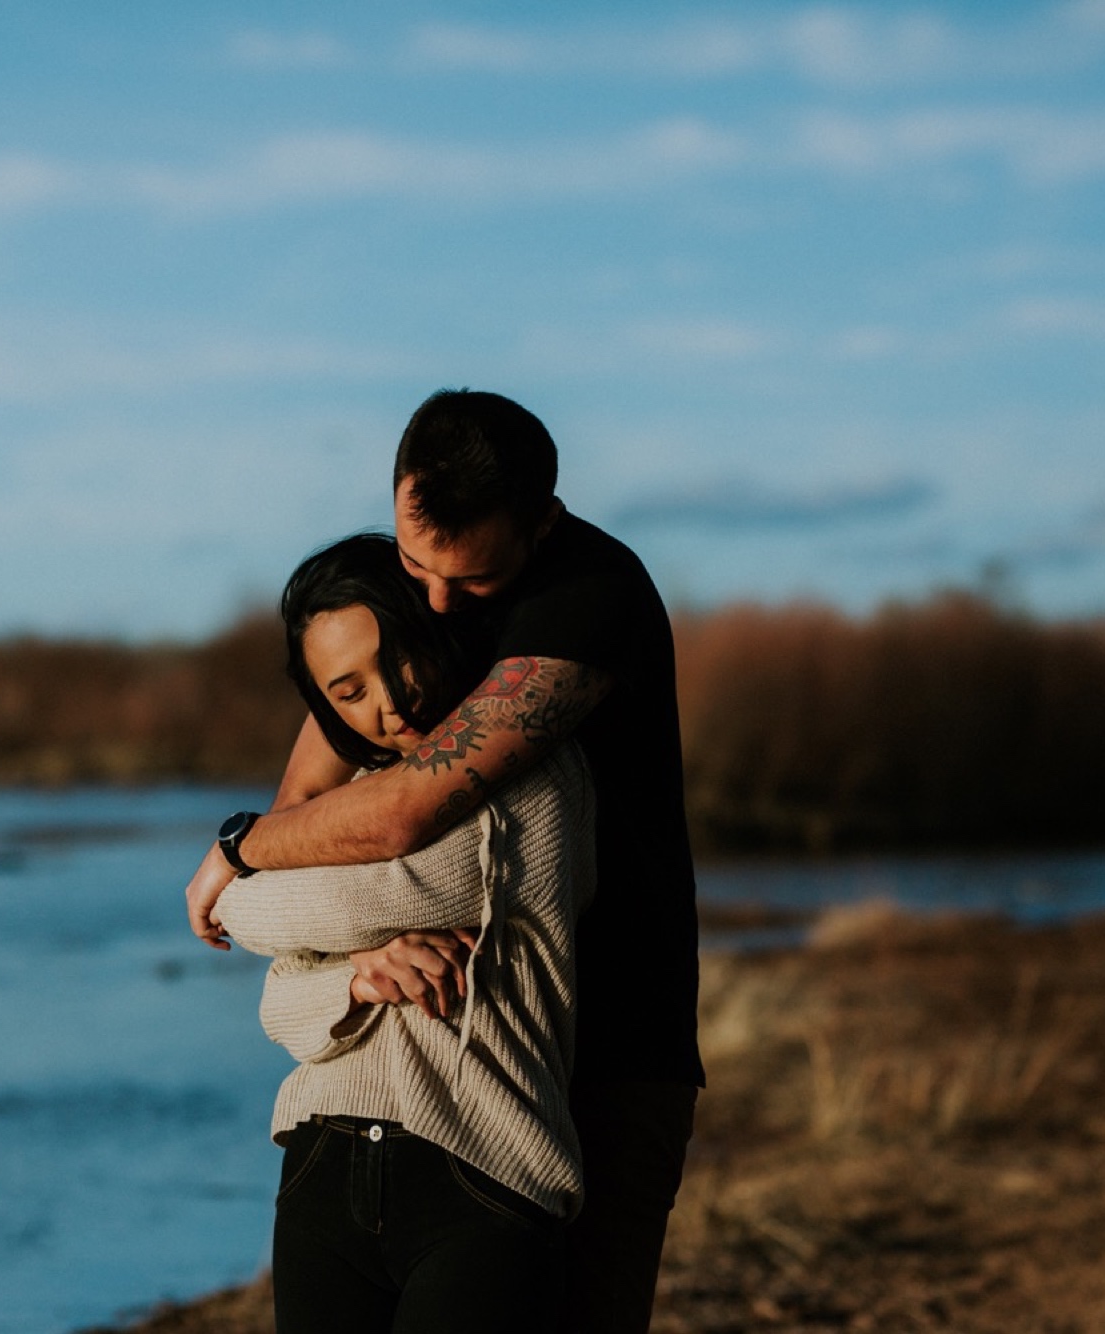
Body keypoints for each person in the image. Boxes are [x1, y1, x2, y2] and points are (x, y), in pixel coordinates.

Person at [187, 390, 703, 1334]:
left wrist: (236, 853)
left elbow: (397, 820)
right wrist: (343, 960)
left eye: (468, 584)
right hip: (414, 1082)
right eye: (412, 563)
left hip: (609, 1045)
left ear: (539, 525)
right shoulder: (410, 611)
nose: (432, 602)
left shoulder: (589, 596)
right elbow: (305, 812)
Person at [214, 532, 595, 1333]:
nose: (388, 703)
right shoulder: (349, 801)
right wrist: (357, 973)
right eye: (348, 693)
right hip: (322, 1167)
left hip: (482, 1177)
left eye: (398, 659)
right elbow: (279, 1007)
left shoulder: (527, 771)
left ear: (435, 625)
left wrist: (244, 874)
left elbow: (389, 885)